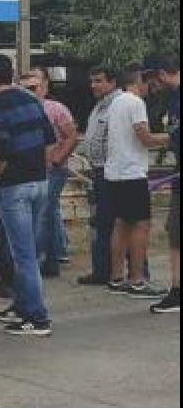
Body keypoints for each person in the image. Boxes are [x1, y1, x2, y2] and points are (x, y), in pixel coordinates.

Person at [0, 55, 56, 336]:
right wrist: (42, 167)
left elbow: (1, 146)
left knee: (22, 254)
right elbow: (49, 139)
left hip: (14, 186)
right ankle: (22, 305)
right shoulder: (31, 100)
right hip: (39, 181)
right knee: (31, 251)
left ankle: (37, 317)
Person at [106, 68, 171, 299]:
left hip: (115, 172)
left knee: (122, 223)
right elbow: (145, 138)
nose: (150, 88)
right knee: (141, 225)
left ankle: (116, 276)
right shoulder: (135, 103)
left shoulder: (116, 102)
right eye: (149, 83)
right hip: (131, 173)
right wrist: (171, 138)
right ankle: (137, 280)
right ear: (139, 82)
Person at [20, 68, 80, 277]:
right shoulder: (20, 109)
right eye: (24, 87)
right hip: (29, 170)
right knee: (46, 213)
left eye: (33, 87)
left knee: (44, 213)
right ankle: (52, 258)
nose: (29, 91)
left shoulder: (56, 109)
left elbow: (71, 136)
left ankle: (42, 258)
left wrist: (55, 160)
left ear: (44, 86)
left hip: (52, 169)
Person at [78, 66, 123, 286]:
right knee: (100, 223)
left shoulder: (119, 104)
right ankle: (102, 270)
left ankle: (120, 272)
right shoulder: (99, 106)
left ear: (112, 82)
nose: (93, 85)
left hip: (111, 172)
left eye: (99, 80)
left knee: (114, 222)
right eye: (92, 81)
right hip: (98, 171)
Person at [146, 57, 180, 314]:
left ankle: (177, 292)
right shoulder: (173, 98)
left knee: (176, 234)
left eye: (153, 81)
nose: (152, 87)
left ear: (162, 74)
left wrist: (145, 138)